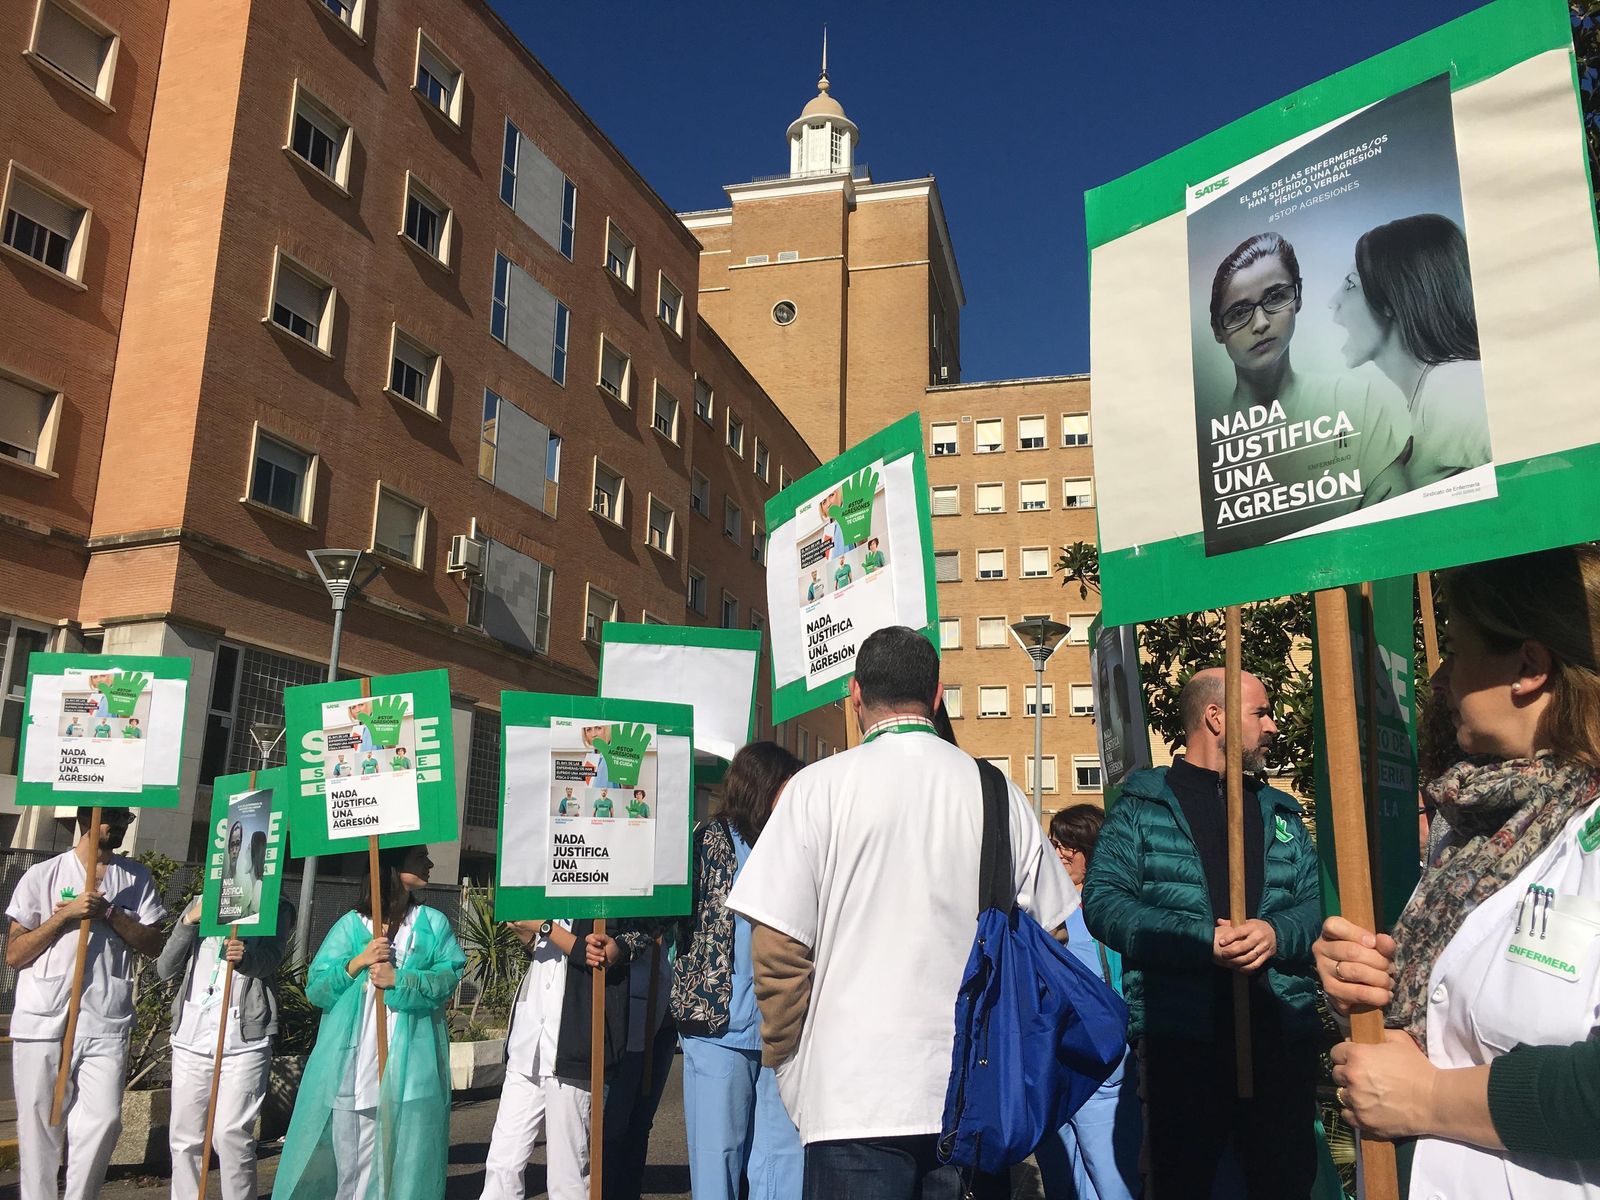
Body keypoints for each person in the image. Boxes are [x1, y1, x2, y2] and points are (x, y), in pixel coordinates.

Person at [727, 626, 1076, 1199]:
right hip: (972, 1098)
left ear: (854, 695)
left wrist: (790, 1067)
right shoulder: (998, 792)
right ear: (939, 696)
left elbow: (777, 951)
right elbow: (1052, 936)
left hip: (849, 1097)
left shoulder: (814, 789)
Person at [1315, 544, 1600, 1197]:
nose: (1439, 680)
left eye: (1458, 649)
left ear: (1528, 667)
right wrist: (1361, 992)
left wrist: (1431, 1100)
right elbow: (1454, 1014)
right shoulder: (1476, 830)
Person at [1082, 668, 1322, 1200]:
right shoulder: (1142, 807)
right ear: (1215, 717)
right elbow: (1103, 902)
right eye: (1261, 712)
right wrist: (1199, 940)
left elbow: (1315, 905)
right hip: (1182, 1042)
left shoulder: (1280, 812)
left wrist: (1275, 933)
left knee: (1283, 1184)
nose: (1275, 725)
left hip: (1279, 1037)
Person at [272, 844, 464, 1200]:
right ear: (393, 864)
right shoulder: (351, 926)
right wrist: (357, 963)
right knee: (354, 1171)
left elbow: (447, 979)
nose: (430, 863)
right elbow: (317, 989)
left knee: (405, 1167)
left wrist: (401, 980)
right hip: (354, 1069)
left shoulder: (433, 924)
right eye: (419, 857)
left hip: (411, 1072)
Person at [1203, 232, 1407, 550]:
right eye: (1239, 312)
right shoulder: (1207, 444)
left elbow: (1393, 529)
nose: (1260, 323)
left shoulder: (1354, 402)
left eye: (1275, 297)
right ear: (1218, 330)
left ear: (1298, 298)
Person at [5, 806, 166, 1200]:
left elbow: (154, 943)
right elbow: (15, 953)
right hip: (44, 1018)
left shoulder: (137, 878)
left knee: (105, 1120)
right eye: (116, 819)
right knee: (40, 1123)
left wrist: (110, 913)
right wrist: (66, 917)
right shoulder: (42, 875)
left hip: (105, 1019)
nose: (124, 826)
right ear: (88, 819)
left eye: (127, 819)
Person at [672, 742, 807, 1200]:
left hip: (782, 1028)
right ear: (762, 785)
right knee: (719, 1160)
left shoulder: (794, 843)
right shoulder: (707, 842)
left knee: (782, 1161)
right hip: (717, 1030)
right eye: (787, 786)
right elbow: (664, 913)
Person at [1330, 213, 1489, 491]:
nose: (1333, 301)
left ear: (1391, 297)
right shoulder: (1431, 397)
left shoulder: (1455, 386)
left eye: (1351, 284)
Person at [478, 918, 633, 1200]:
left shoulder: (600, 901)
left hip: (571, 1046)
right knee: (503, 1161)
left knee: (568, 1171)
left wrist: (544, 926)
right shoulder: (544, 893)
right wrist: (528, 934)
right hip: (528, 1044)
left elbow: (596, 957)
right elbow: (545, 955)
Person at [1036, 806, 1142, 1200]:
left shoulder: (1107, 907)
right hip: (1054, 1062)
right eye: (1055, 843)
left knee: (1112, 1179)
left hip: (1101, 1060)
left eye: (1070, 846)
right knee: (1066, 1181)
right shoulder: (1045, 906)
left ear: (1091, 850)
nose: (1060, 853)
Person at [159, 894, 294, 1200]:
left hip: (245, 1035)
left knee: (230, 1134)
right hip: (192, 1033)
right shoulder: (199, 901)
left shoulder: (277, 904)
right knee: (185, 1137)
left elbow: (270, 959)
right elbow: (165, 967)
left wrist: (245, 958)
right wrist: (189, 920)